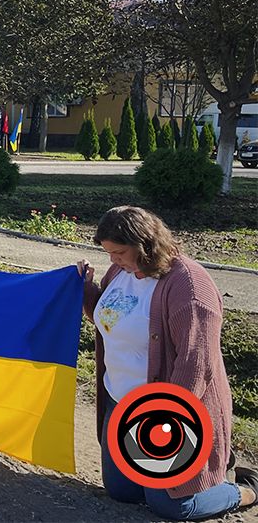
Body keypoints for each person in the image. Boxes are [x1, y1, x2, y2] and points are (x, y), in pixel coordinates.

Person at [78, 206, 256, 520]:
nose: (113, 260)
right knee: (122, 492)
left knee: (172, 505)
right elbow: (112, 321)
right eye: (108, 253)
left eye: (119, 252)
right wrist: (86, 289)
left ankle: (246, 489)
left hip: (164, 409)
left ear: (144, 245)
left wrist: (165, 422)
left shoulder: (189, 286)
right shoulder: (120, 272)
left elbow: (196, 363)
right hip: (120, 402)